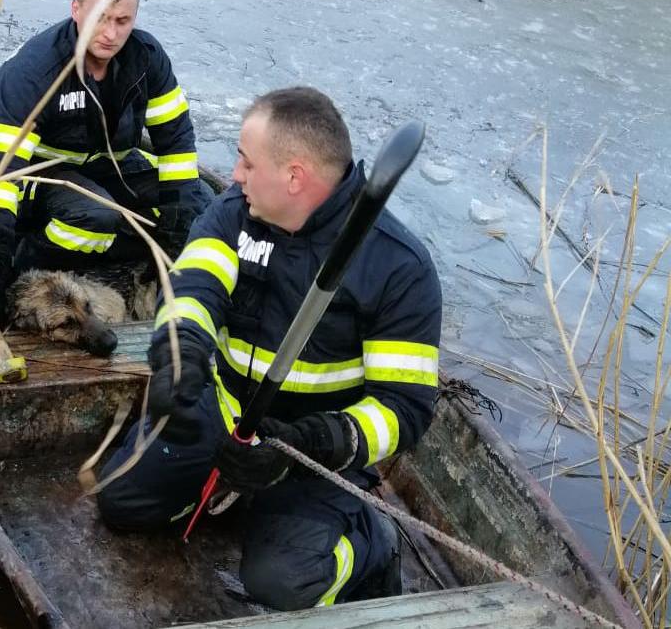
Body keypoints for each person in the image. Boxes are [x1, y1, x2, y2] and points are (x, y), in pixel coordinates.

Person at [96, 87, 442, 609]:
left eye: (245, 160)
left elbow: (405, 409)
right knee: (122, 501)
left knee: (281, 583)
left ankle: (372, 542)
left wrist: (313, 442)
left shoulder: (398, 268)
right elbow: (194, 288)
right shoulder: (234, 214)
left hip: (313, 452)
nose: (234, 174)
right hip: (227, 412)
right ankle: (230, 492)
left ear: (295, 177)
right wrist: (179, 355)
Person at [0, 0, 211, 334]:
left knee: (198, 202)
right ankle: (29, 256)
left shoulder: (146, 59)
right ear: (76, 10)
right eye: (100, 18)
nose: (110, 33)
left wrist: (174, 227)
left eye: (122, 21)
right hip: (38, 176)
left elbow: (176, 145)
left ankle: (148, 258)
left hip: (109, 168)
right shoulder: (36, 72)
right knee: (97, 217)